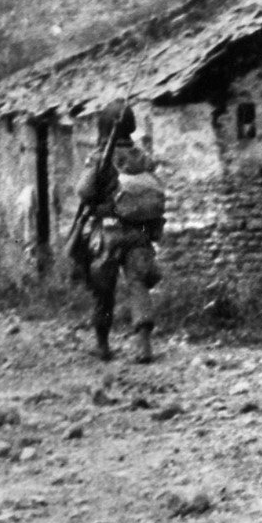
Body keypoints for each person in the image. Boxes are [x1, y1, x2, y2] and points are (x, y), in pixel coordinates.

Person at [72, 100, 165, 363]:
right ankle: (143, 346)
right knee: (139, 286)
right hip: (140, 233)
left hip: (109, 233)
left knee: (104, 290)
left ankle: (102, 345)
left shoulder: (100, 157)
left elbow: (83, 191)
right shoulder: (141, 156)